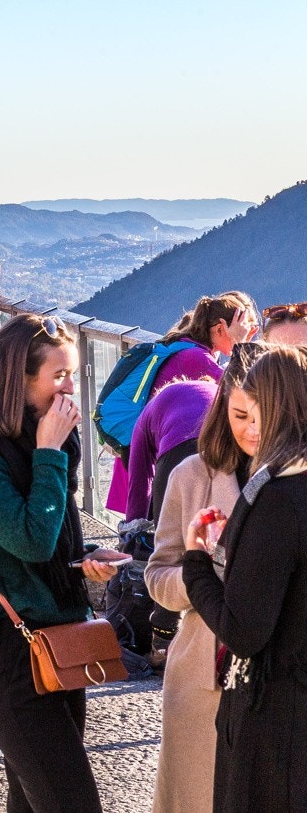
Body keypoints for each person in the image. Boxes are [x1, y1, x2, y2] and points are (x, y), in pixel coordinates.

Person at [0, 314, 129, 813]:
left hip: (60, 640)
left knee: (31, 800)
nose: (70, 388)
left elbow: (54, 539)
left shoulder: (48, 438)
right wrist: (49, 452)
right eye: (59, 375)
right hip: (9, 652)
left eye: (73, 374)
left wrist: (84, 559)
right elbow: (30, 541)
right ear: (17, 379)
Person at [183, 346, 307, 813]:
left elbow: (242, 631)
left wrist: (197, 564)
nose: (251, 429)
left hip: (275, 723)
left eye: (255, 413)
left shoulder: (277, 499)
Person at [144, 344, 262, 813]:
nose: (252, 429)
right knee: (197, 797)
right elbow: (158, 573)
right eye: (240, 415)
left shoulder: (293, 479)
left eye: (265, 415)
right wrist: (201, 578)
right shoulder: (191, 474)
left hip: (277, 677)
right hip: (202, 673)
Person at [105, 291, 257, 513]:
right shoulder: (196, 358)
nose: (247, 334)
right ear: (220, 329)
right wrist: (239, 344)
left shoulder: (187, 347)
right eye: (242, 328)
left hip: (151, 444)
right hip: (161, 451)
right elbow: (240, 389)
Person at [124, 377, 219, 524]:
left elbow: (139, 479)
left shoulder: (148, 412)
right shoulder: (216, 390)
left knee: (167, 531)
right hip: (221, 445)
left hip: (176, 449)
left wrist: (133, 525)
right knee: (221, 526)